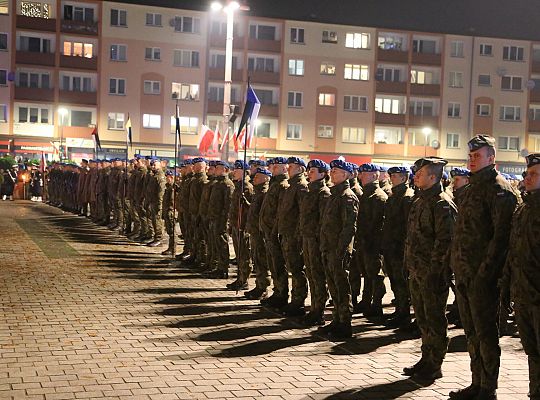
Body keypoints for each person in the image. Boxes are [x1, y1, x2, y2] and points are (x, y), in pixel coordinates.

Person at [449, 135, 519, 400]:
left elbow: (501, 238)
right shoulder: (472, 188)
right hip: (466, 274)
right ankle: (476, 382)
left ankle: (488, 388)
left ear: (492, 158)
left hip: (483, 278)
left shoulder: (499, 189)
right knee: (472, 333)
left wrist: (485, 274)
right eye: (471, 155)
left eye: (478, 155)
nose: (472, 159)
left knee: (486, 334)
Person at [402, 157, 456, 380]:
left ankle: (435, 364)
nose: (415, 176)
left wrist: (435, 273)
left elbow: (445, 242)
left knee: (434, 319)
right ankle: (426, 358)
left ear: (433, 177)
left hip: (432, 274)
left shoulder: (442, 204)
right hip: (417, 271)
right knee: (423, 319)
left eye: (420, 173)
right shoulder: (420, 201)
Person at [500, 153, 540, 400]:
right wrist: (507, 287)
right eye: (527, 173)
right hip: (523, 294)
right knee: (532, 350)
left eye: (534, 174)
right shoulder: (523, 208)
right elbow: (513, 250)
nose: (527, 178)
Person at [319, 160, 359, 339]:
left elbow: (349, 226)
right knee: (333, 285)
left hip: (338, 249)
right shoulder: (334, 194)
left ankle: (345, 323)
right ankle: (336, 319)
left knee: (342, 287)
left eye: (336, 171)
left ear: (345, 175)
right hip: (329, 247)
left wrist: (342, 249)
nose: (332, 173)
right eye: (332, 171)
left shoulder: (347, 196)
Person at [381, 166, 415, 328]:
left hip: (399, 246)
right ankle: (400, 310)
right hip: (391, 245)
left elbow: (407, 225)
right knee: (395, 280)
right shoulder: (394, 195)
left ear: (403, 178)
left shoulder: (406, 197)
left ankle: (404, 313)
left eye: (394, 176)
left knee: (401, 281)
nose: (391, 178)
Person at [300, 159, 331, 326]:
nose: (309, 173)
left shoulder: (323, 193)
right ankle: (313, 308)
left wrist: (320, 241)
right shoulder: (310, 191)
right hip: (307, 237)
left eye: (313, 171)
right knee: (311, 274)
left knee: (318, 276)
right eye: (309, 170)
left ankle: (319, 310)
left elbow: (323, 221)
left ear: (322, 174)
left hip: (316, 240)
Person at [277, 156, 309, 316]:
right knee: (291, 267)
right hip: (287, 234)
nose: (288, 168)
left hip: (294, 236)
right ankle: (292, 299)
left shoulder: (301, 187)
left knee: (297, 269)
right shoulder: (291, 186)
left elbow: (302, 214)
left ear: (301, 169)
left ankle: (299, 301)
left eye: (292, 166)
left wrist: (297, 236)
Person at [355, 163, 388, 318]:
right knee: (367, 274)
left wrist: (373, 242)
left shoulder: (379, 197)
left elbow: (378, 224)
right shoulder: (366, 195)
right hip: (364, 241)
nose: (361, 176)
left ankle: (377, 304)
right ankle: (366, 300)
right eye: (360, 173)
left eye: (365, 173)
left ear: (375, 176)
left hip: (373, 243)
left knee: (375, 275)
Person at [259, 157, 289, 309]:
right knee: (273, 263)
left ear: (285, 169)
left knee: (278, 264)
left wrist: (275, 231)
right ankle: (277, 291)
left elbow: (280, 212)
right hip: (269, 230)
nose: (272, 170)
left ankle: (282, 294)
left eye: (276, 167)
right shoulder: (274, 184)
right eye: (272, 167)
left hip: (275, 231)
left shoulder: (283, 186)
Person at [244, 167, 272, 300]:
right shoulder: (257, 192)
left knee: (262, 260)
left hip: (260, 232)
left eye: (258, 176)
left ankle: (263, 288)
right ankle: (259, 285)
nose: (254, 178)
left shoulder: (265, 192)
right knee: (257, 260)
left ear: (266, 178)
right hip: (255, 230)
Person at [227, 160, 254, 290]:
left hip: (242, 225)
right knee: (239, 254)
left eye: (237, 170)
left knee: (244, 255)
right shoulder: (238, 186)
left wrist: (246, 202)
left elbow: (250, 209)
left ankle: (244, 280)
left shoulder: (247, 187)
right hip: (235, 224)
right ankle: (240, 278)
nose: (234, 172)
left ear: (244, 171)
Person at [206, 160, 234, 278]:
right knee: (215, 243)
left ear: (225, 170)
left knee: (222, 244)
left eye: (219, 168)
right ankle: (217, 266)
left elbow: (228, 205)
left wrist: (224, 220)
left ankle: (223, 268)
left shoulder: (227, 184)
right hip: (214, 218)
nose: (216, 170)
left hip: (221, 220)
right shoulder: (217, 183)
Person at [161, 170, 176, 255]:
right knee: (169, 230)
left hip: (171, 211)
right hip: (167, 210)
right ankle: (170, 247)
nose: (167, 179)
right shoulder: (169, 187)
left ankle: (172, 248)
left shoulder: (173, 188)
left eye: (168, 178)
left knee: (172, 231)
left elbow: (173, 201)